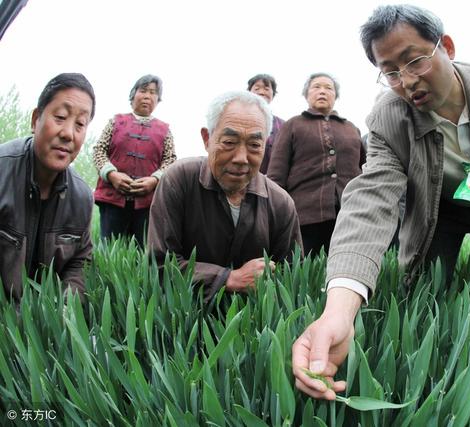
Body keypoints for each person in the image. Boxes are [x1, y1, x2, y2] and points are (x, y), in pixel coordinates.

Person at [292, 4, 470, 400]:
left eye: (414, 61)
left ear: (446, 46)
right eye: (390, 71)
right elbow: (371, 200)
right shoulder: (388, 117)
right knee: (427, 294)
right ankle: (435, 386)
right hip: (436, 210)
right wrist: (338, 311)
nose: (406, 80)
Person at [147, 91, 302, 302]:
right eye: (229, 142)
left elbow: (292, 278)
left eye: (254, 145)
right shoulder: (179, 179)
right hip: (184, 318)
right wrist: (228, 279)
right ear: (207, 138)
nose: (241, 158)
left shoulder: (281, 203)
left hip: (253, 326)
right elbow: (160, 264)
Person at [0, 73, 95, 303]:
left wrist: (61, 311)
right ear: (35, 120)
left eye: (80, 124)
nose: (68, 133)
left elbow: (80, 262)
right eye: (60, 117)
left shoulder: (82, 197)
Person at [268, 73, 365, 256]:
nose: (322, 91)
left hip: (349, 215)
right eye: (316, 87)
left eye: (328, 88)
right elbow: (276, 174)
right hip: (303, 216)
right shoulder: (293, 125)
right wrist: (276, 215)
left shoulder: (351, 129)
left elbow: (365, 170)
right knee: (303, 272)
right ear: (307, 94)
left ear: (335, 96)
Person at [93, 74, 176, 246]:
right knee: (108, 250)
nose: (147, 96)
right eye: (143, 90)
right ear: (133, 95)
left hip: (147, 204)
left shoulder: (165, 130)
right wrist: (112, 175)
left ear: (158, 100)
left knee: (142, 253)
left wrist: (155, 180)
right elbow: (99, 150)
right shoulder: (116, 122)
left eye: (153, 93)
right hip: (112, 199)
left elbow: (170, 160)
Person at [247, 74, 285, 173]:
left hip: (273, 182)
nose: (262, 92)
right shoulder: (238, 119)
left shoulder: (283, 125)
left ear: (273, 94)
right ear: (249, 92)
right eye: (257, 88)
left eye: (266, 89)